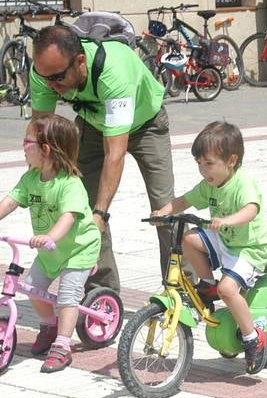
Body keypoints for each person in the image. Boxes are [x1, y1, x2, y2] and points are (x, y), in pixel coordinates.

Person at [29, 24, 173, 293]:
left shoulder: (114, 71)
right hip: (93, 122)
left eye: (57, 78)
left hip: (146, 123)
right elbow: (40, 135)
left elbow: (115, 153)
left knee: (164, 210)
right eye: (44, 77)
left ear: (80, 61)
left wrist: (101, 212)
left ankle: (181, 287)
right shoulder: (45, 71)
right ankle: (101, 293)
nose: (50, 85)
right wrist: (37, 183)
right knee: (82, 209)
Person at [0, 115, 101, 373]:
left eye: (28, 141)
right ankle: (49, 326)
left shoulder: (69, 184)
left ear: (46, 149)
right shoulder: (31, 179)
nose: (23, 145)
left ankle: (63, 345)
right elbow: (9, 201)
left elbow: (68, 217)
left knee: (67, 296)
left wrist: (50, 237)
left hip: (78, 249)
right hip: (49, 252)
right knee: (32, 287)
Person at [152, 120, 267, 371]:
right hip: (227, 239)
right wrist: (164, 212)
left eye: (208, 163)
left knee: (228, 290)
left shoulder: (242, 183)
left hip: (250, 248)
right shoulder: (209, 184)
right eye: (199, 163)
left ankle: (253, 338)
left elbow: (251, 209)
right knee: (187, 239)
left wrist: (227, 220)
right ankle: (207, 285)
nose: (203, 169)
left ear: (231, 160)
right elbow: (184, 200)